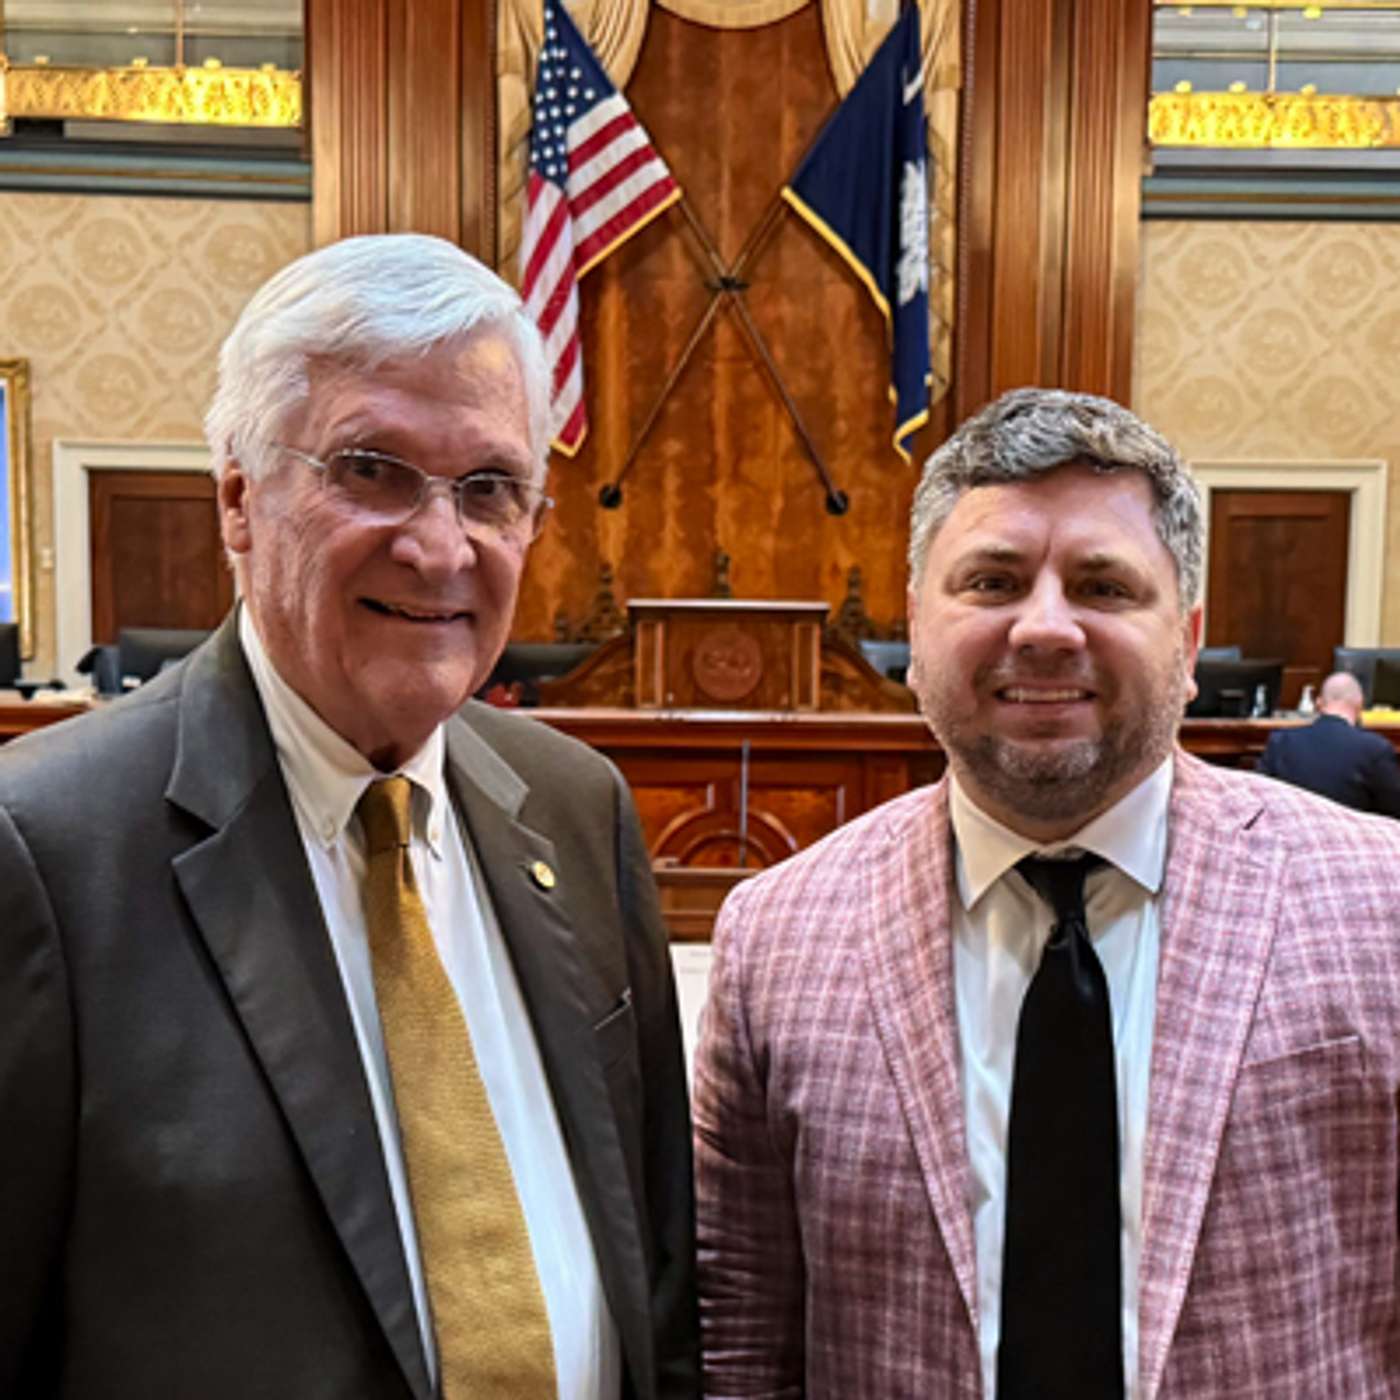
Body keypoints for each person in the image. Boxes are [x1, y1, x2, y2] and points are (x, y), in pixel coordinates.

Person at [0, 234, 698, 1399]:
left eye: (489, 487)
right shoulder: (43, 849)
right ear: (239, 497)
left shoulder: (577, 808)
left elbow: (657, 1270)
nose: (439, 545)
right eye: (371, 469)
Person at [694, 387, 1400, 1398]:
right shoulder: (777, 934)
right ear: (916, 627)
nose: (1043, 628)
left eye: (1103, 586)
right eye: (991, 581)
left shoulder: (1376, 901)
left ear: (1188, 639)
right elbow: (739, 1331)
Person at [1258, 670, 1400, 817]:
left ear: (1319, 703)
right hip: (1347, 831)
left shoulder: (1280, 742)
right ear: (1360, 704)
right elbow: (1394, 811)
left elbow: (1259, 800)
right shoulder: (1376, 749)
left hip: (1292, 830)